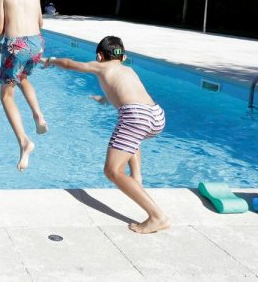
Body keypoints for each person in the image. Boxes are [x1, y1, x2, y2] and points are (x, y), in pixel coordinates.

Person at [42, 36, 169, 234]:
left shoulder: (101, 66)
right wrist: (104, 99)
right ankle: (136, 177)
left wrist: (52, 61)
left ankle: (157, 216)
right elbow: (127, 92)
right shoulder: (128, 70)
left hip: (136, 116)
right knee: (132, 137)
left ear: (100, 56)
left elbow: (69, 64)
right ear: (123, 57)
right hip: (156, 115)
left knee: (112, 171)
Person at [0, 0, 48, 171]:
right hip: (37, 43)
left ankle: (24, 143)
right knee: (22, 78)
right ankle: (38, 115)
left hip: (16, 45)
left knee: (6, 95)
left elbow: (0, 27)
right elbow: (41, 22)